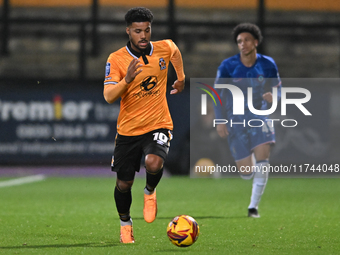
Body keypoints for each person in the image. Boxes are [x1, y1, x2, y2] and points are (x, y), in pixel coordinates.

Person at [103, 7, 185, 243]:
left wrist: (180, 78)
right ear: (128, 31)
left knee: (154, 161)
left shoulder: (164, 47)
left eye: (147, 30)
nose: (143, 36)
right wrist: (127, 79)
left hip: (159, 123)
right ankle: (125, 223)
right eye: (138, 31)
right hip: (128, 131)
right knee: (124, 183)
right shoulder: (116, 59)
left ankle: (149, 191)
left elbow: (175, 52)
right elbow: (109, 96)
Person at [214, 23, 281, 218]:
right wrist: (220, 120)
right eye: (239, 41)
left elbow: (279, 88)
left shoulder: (267, 64)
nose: (242, 44)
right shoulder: (228, 66)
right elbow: (217, 95)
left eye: (246, 40)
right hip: (235, 119)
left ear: (256, 42)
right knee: (246, 172)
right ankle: (249, 163)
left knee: (263, 159)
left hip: (260, 116)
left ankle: (253, 207)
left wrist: (274, 97)